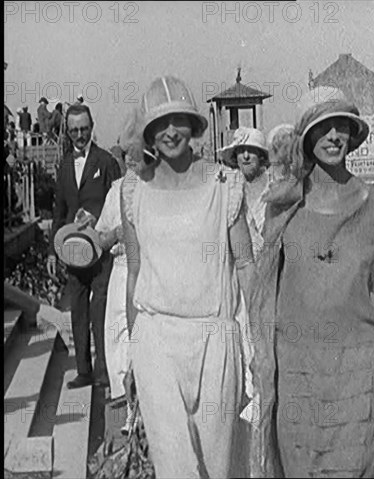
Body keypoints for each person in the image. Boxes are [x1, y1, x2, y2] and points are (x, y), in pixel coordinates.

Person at [246, 87, 374, 478]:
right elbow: (264, 294)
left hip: (359, 370)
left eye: (340, 127)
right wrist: (260, 359)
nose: (332, 137)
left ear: (351, 133)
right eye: (322, 127)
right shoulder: (284, 204)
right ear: (307, 138)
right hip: (298, 371)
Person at [121, 76, 253, 478]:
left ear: (194, 126)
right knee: (174, 465)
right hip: (155, 339)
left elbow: (246, 265)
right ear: (147, 132)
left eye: (178, 120)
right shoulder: (133, 190)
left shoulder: (224, 185)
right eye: (160, 123)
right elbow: (135, 273)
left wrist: (262, 343)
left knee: (218, 464)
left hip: (215, 340)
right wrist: (132, 352)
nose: (170, 132)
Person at [46, 103, 122, 389]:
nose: (80, 134)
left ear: (92, 128)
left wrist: (99, 219)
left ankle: (104, 373)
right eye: (75, 130)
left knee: (101, 310)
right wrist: (54, 250)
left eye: (84, 129)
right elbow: (59, 209)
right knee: (77, 310)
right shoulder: (65, 164)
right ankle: (84, 370)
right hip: (73, 252)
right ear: (67, 131)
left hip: (101, 252)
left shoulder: (106, 162)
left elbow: (118, 203)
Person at [94, 109, 145, 433]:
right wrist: (116, 234)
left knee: (142, 339)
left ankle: (142, 410)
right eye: (127, 156)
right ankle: (127, 412)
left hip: (147, 273)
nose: (131, 163)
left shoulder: (156, 190)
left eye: (137, 157)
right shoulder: (115, 191)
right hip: (121, 270)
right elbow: (100, 238)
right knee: (118, 339)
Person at [221, 126, 269, 258]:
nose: (246, 156)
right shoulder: (229, 188)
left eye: (251, 151)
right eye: (241, 151)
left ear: (261, 156)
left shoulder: (274, 185)